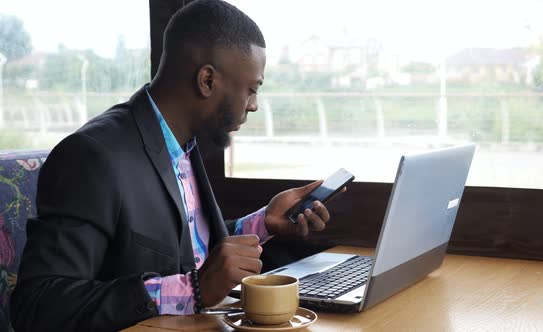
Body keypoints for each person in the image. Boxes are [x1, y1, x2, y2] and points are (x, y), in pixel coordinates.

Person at [10, 1, 336, 331]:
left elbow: (186, 255)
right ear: (207, 80)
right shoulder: (92, 157)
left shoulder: (183, 143)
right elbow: (39, 305)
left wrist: (264, 223)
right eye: (252, 90)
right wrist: (191, 290)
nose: (253, 105)